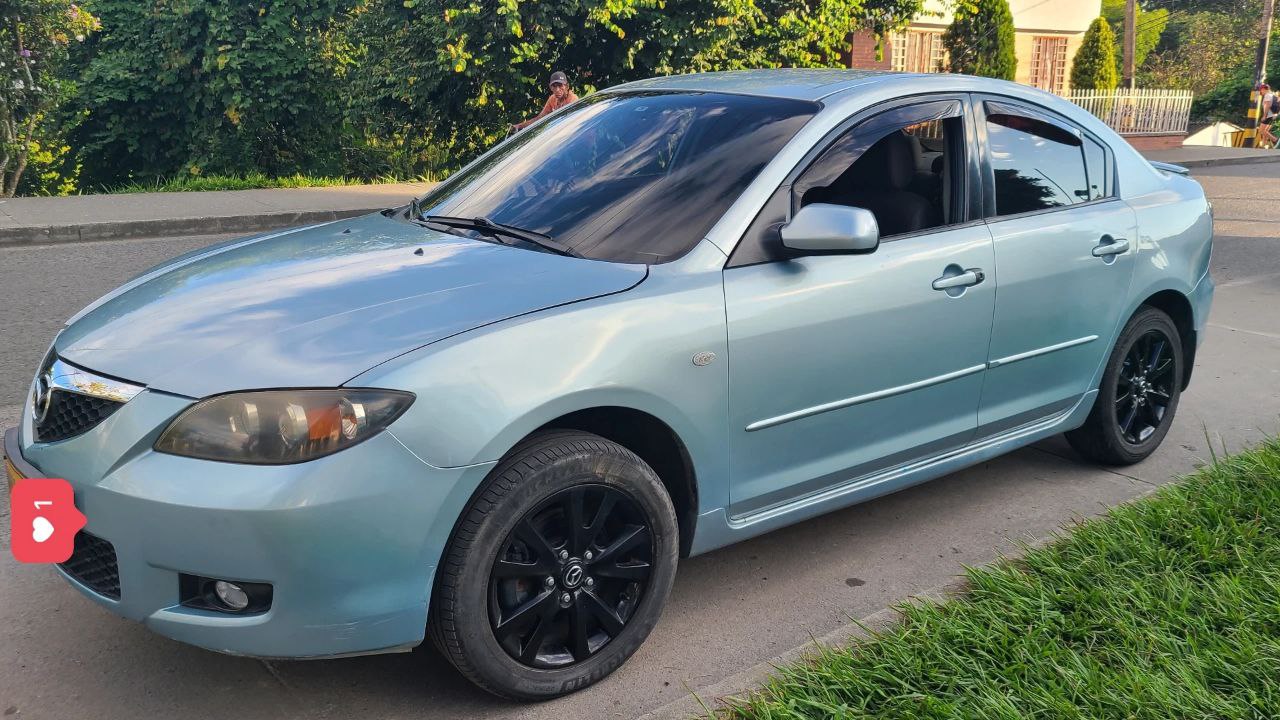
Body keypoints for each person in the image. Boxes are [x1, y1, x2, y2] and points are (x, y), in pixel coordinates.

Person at [512, 71, 578, 132]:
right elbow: (539, 118)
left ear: (567, 86)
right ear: (550, 88)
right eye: (554, 86)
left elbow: (570, 121)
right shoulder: (552, 99)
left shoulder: (572, 99)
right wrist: (519, 126)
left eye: (560, 85)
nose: (557, 89)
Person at [1258, 83, 1278, 148]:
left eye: (1260, 90)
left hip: (1268, 115)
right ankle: (1264, 144)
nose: (1260, 91)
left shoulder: (1267, 95)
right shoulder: (1274, 95)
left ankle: (1275, 140)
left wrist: (1264, 115)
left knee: (1261, 130)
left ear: (1263, 89)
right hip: (1273, 115)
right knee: (1265, 131)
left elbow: (1268, 105)